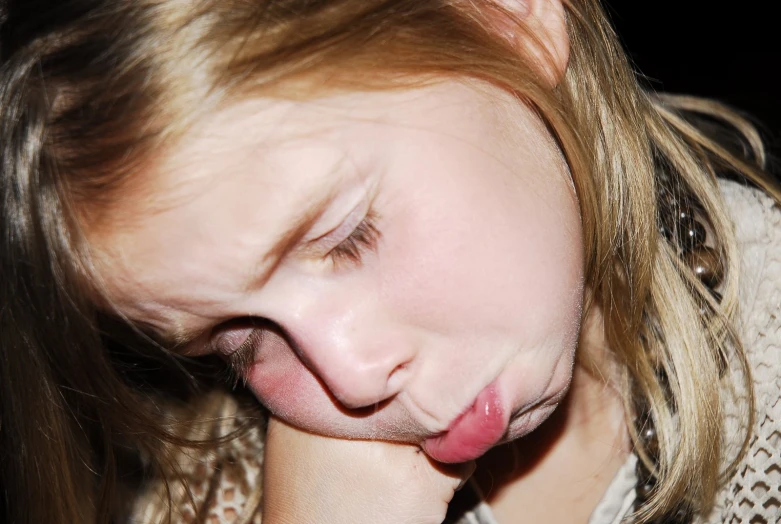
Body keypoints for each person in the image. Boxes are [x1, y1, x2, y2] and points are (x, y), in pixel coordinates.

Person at [1, 1, 779, 523]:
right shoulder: (198, 497)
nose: (351, 374)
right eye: (239, 341)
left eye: (345, 237)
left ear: (501, 21)